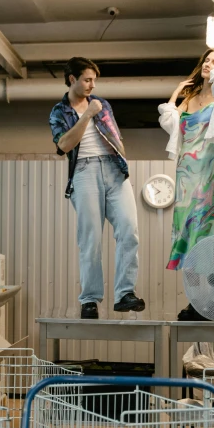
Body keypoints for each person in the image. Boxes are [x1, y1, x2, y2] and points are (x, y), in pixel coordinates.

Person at [49, 57, 145, 319]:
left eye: (94, 80)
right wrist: (88, 114)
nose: (92, 84)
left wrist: (123, 160)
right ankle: (89, 300)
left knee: (129, 230)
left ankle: (125, 293)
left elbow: (115, 134)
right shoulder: (59, 111)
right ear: (72, 80)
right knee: (90, 239)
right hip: (84, 171)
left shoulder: (103, 105)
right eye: (87, 79)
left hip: (114, 170)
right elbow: (63, 146)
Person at [158, 46, 214, 272]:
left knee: (200, 226)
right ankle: (195, 296)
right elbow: (170, 124)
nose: (208, 64)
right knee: (183, 228)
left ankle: (200, 298)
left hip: (206, 172)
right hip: (184, 173)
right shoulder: (190, 98)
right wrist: (176, 92)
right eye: (207, 60)